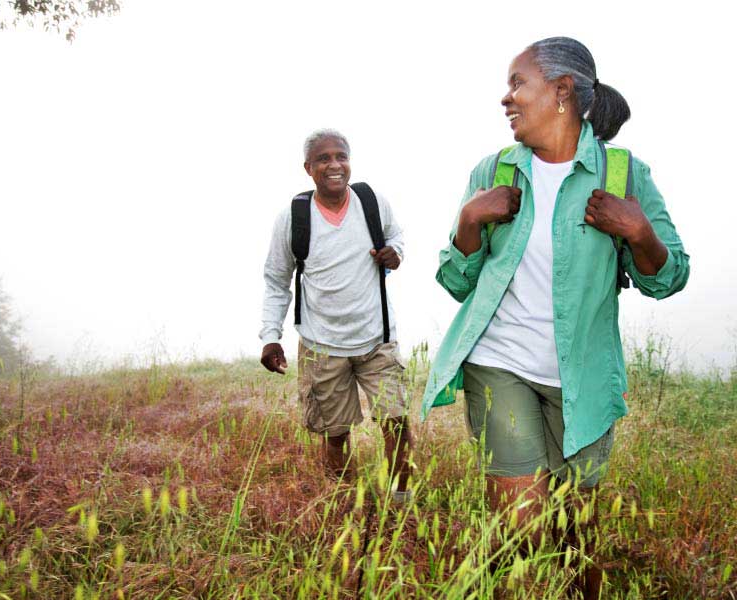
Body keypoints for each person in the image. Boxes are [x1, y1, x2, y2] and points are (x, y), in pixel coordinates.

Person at [421, 37, 689, 597]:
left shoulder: (622, 173)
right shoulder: (494, 170)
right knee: (520, 527)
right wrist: (469, 220)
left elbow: (668, 277)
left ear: (562, 91)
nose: (506, 98)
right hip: (500, 365)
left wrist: (639, 232)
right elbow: (455, 280)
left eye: (518, 83)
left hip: (581, 379)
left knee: (576, 534)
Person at [260, 129, 413, 502]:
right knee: (335, 433)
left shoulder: (372, 201)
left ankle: (401, 503)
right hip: (322, 346)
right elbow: (276, 280)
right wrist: (270, 337)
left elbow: (397, 238)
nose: (334, 165)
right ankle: (343, 503)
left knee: (396, 422)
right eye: (324, 159)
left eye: (341, 156)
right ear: (308, 168)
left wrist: (395, 254)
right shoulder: (294, 217)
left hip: (377, 339)